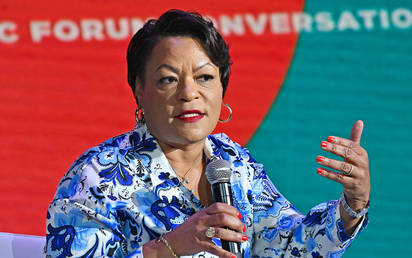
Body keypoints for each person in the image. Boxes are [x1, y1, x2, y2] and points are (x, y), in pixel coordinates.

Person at [45, 9, 370, 258]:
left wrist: (351, 205)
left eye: (204, 77)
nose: (189, 93)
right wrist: (165, 249)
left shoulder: (231, 161)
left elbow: (286, 244)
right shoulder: (96, 176)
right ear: (140, 90)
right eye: (168, 79)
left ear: (222, 88)